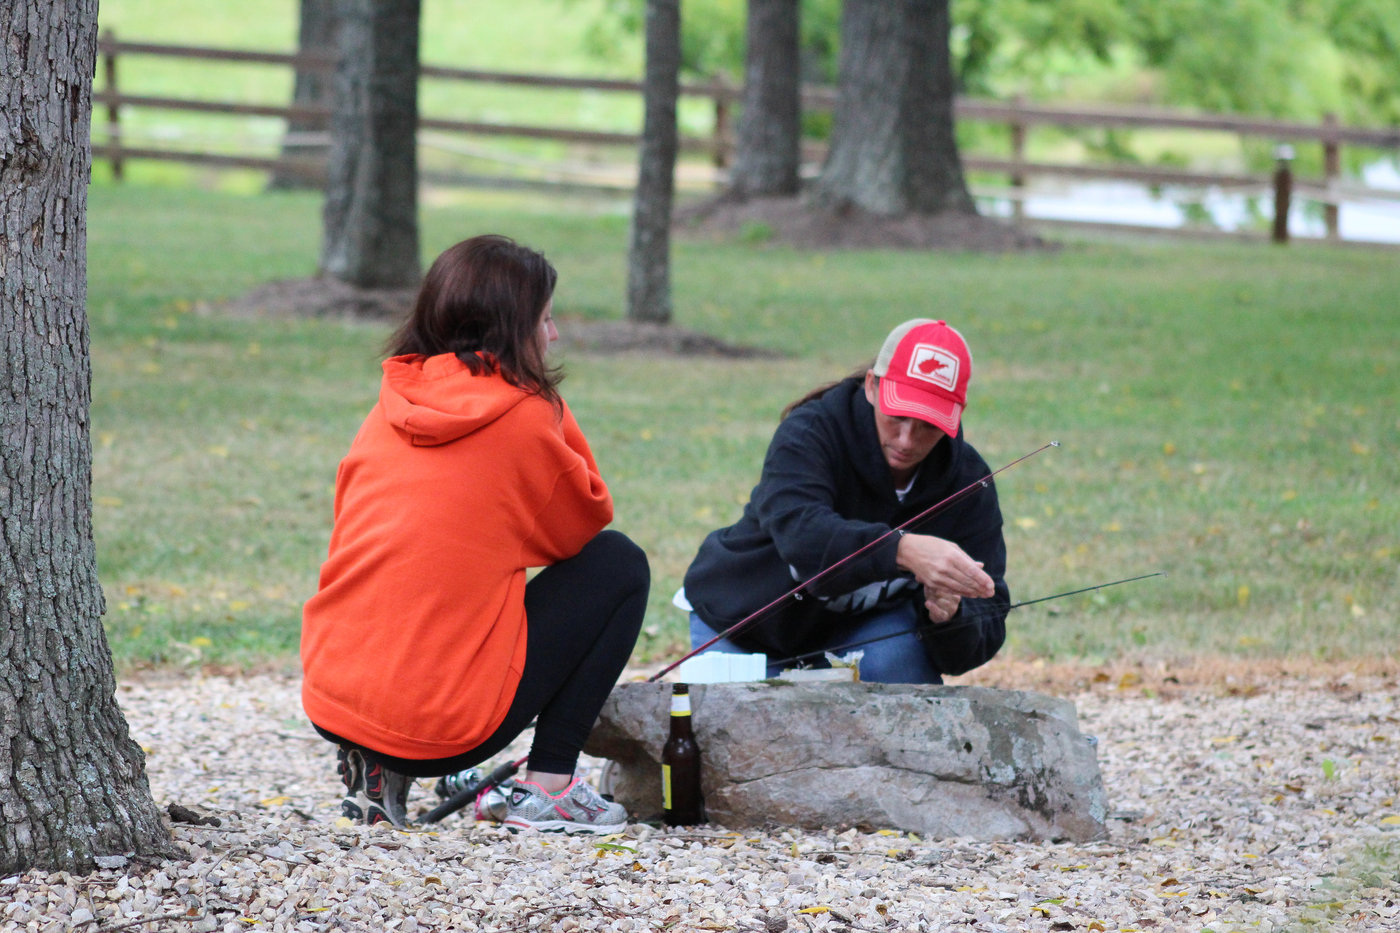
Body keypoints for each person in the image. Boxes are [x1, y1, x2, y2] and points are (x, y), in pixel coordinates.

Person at [301, 235, 649, 834]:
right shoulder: (523, 416)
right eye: (545, 319)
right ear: (515, 329)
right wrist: (547, 404)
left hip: (332, 689)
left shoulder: (392, 399)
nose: (555, 335)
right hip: (446, 726)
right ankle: (550, 786)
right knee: (617, 565)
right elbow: (584, 520)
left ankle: (378, 758)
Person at [681, 319, 1008, 684]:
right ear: (872, 386)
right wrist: (903, 550)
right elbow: (802, 534)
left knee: (901, 671)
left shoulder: (967, 480)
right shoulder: (810, 432)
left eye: (928, 425)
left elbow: (989, 612)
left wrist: (951, 616)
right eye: (897, 415)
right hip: (746, 624)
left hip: (862, 636)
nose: (906, 439)